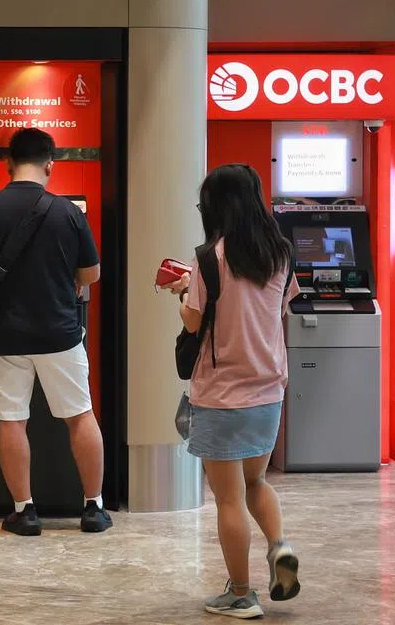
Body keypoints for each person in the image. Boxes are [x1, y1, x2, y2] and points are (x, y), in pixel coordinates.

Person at [0, 128, 111, 536]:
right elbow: (91, 274)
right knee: (80, 415)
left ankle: (24, 511)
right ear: (50, 165)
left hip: (4, 334)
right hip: (60, 332)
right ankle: (93, 507)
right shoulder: (68, 213)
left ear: (8, 163)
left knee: (11, 419)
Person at [162, 164, 302, 619]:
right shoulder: (281, 253)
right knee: (255, 481)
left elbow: (194, 322)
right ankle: (279, 546)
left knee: (228, 498)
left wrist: (183, 292)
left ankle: (241, 593)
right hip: (269, 390)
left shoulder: (209, 259)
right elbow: (277, 308)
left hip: (221, 394)